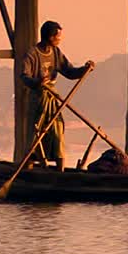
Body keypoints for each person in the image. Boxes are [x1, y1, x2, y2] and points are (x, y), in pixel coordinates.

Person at [19, 20, 95, 171]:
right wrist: (37, 83)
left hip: (53, 99)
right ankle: (29, 169)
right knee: (35, 136)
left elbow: (69, 72)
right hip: (38, 100)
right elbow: (23, 76)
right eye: (58, 36)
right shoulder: (32, 54)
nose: (60, 39)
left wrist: (85, 69)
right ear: (50, 37)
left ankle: (60, 172)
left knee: (58, 132)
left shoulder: (56, 53)